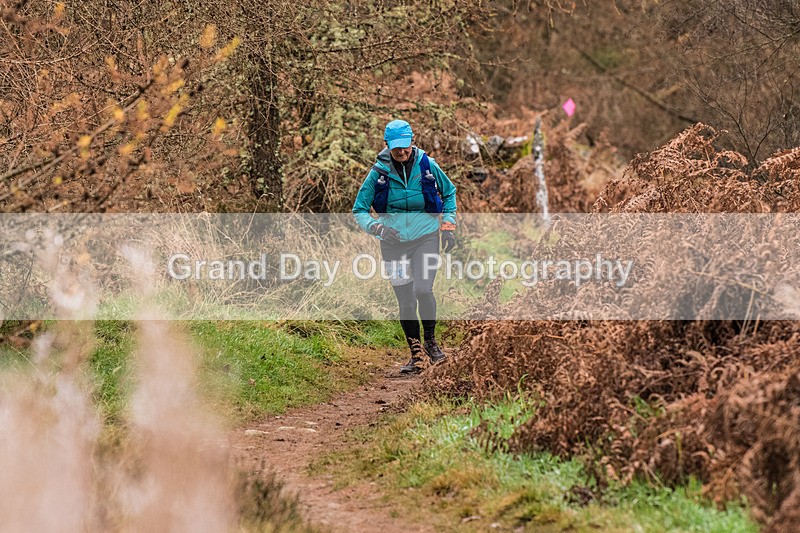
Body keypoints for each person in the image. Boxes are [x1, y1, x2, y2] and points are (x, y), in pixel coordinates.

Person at [352, 119, 457, 373]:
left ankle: (431, 343)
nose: (401, 151)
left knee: (422, 289)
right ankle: (416, 354)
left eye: (405, 145)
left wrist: (448, 225)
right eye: (396, 147)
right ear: (387, 145)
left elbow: (450, 193)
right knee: (406, 300)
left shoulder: (427, 166)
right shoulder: (378, 173)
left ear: (413, 140)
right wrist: (377, 228)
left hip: (426, 237)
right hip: (393, 243)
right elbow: (360, 210)